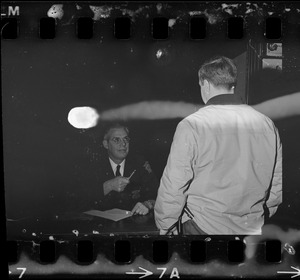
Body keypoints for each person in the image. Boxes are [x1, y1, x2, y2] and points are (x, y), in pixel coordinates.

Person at [154, 56, 282, 235]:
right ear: (232, 85)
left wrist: (166, 225)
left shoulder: (192, 125)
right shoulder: (266, 124)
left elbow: (174, 184)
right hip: (251, 229)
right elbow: (275, 185)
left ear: (205, 84)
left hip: (203, 228)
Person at [83, 123, 159, 215]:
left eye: (126, 139)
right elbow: (79, 198)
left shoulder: (139, 163)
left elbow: (158, 193)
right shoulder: (93, 166)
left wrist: (147, 204)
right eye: (116, 140)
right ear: (106, 144)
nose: (123, 144)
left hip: (133, 224)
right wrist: (108, 186)